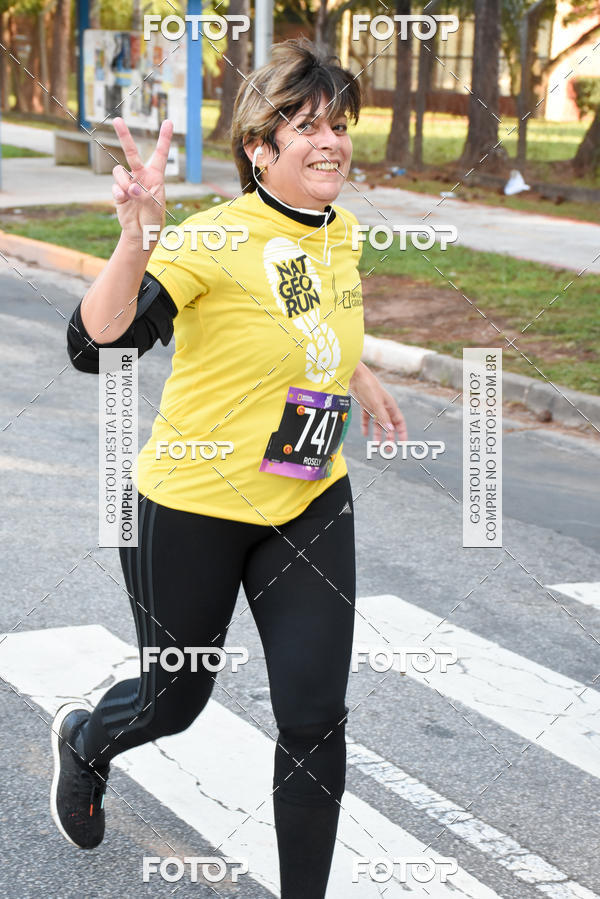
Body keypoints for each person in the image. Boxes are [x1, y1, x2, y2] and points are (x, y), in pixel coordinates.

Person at [53, 37, 406, 898]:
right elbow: (95, 346)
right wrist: (137, 238)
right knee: (175, 701)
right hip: (195, 505)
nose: (331, 142)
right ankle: (87, 740)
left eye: (340, 124)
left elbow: (309, 312)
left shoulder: (342, 233)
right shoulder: (209, 239)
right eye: (308, 126)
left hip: (310, 496)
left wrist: (351, 370)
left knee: (316, 717)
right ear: (260, 149)